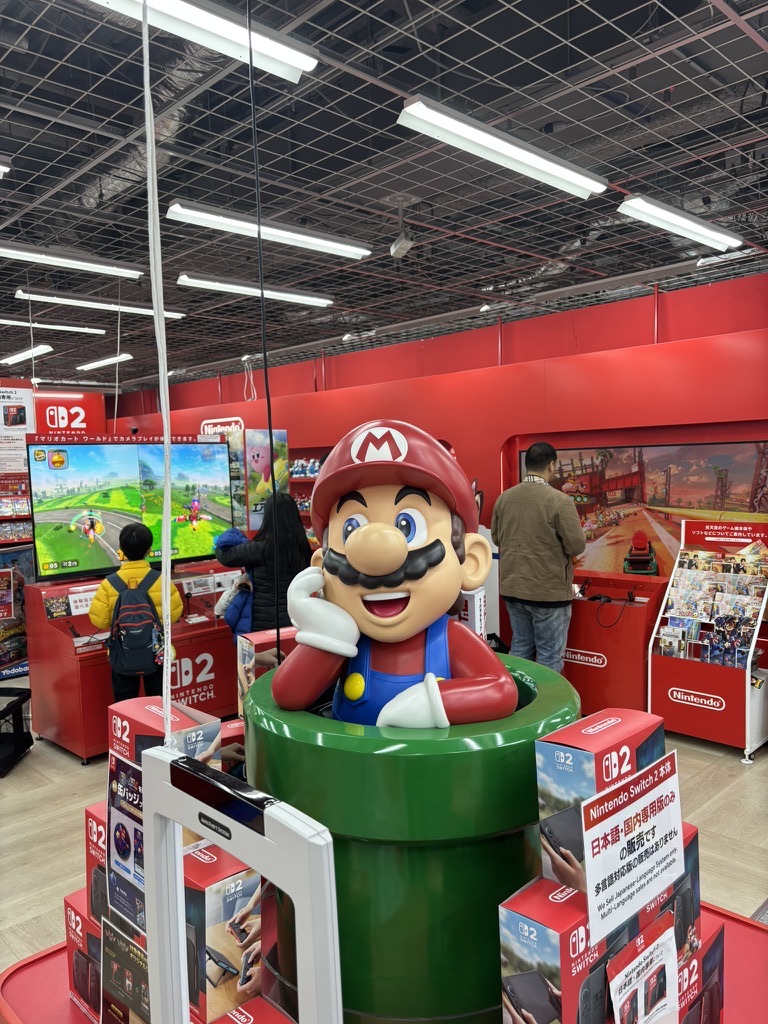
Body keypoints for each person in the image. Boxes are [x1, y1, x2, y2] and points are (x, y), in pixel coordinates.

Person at [271, 419, 518, 727]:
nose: (374, 555)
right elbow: (288, 694)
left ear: (470, 561)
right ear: (321, 565)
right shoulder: (350, 640)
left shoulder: (448, 639)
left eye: (407, 525)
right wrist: (328, 634)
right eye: (351, 529)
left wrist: (432, 702)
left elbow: (501, 690)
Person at [491, 441, 586, 674]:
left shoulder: (504, 498)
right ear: (551, 465)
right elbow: (576, 545)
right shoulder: (560, 501)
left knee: (520, 650)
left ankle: (519, 696)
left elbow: (496, 538)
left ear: (528, 465)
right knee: (549, 657)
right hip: (548, 593)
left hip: (513, 590)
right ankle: (546, 698)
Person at [88, 522, 183, 701]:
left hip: (122, 653)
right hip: (157, 652)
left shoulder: (109, 583)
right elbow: (174, 614)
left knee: (125, 705)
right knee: (158, 703)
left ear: (121, 548)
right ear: (149, 550)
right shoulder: (161, 580)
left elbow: (100, 620)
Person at [216, 492, 312, 635]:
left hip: (263, 624)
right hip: (296, 620)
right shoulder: (302, 546)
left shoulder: (261, 548)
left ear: (268, 517)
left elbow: (226, 557)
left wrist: (221, 542)